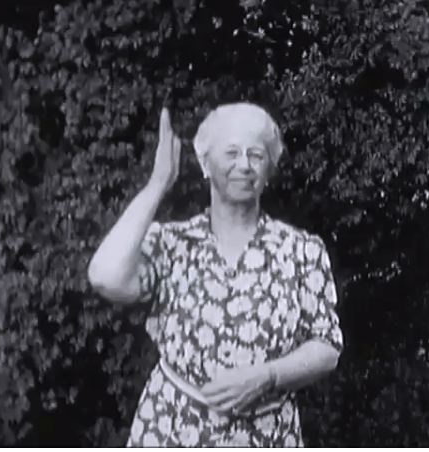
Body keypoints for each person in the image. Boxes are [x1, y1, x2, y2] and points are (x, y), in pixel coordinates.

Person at [88, 102, 343, 447]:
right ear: (206, 165)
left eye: (256, 155)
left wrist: (266, 376)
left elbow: (326, 347)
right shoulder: (172, 244)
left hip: (267, 436)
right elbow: (105, 277)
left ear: (269, 170)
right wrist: (158, 183)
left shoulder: (302, 250)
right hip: (174, 430)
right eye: (231, 153)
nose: (244, 165)